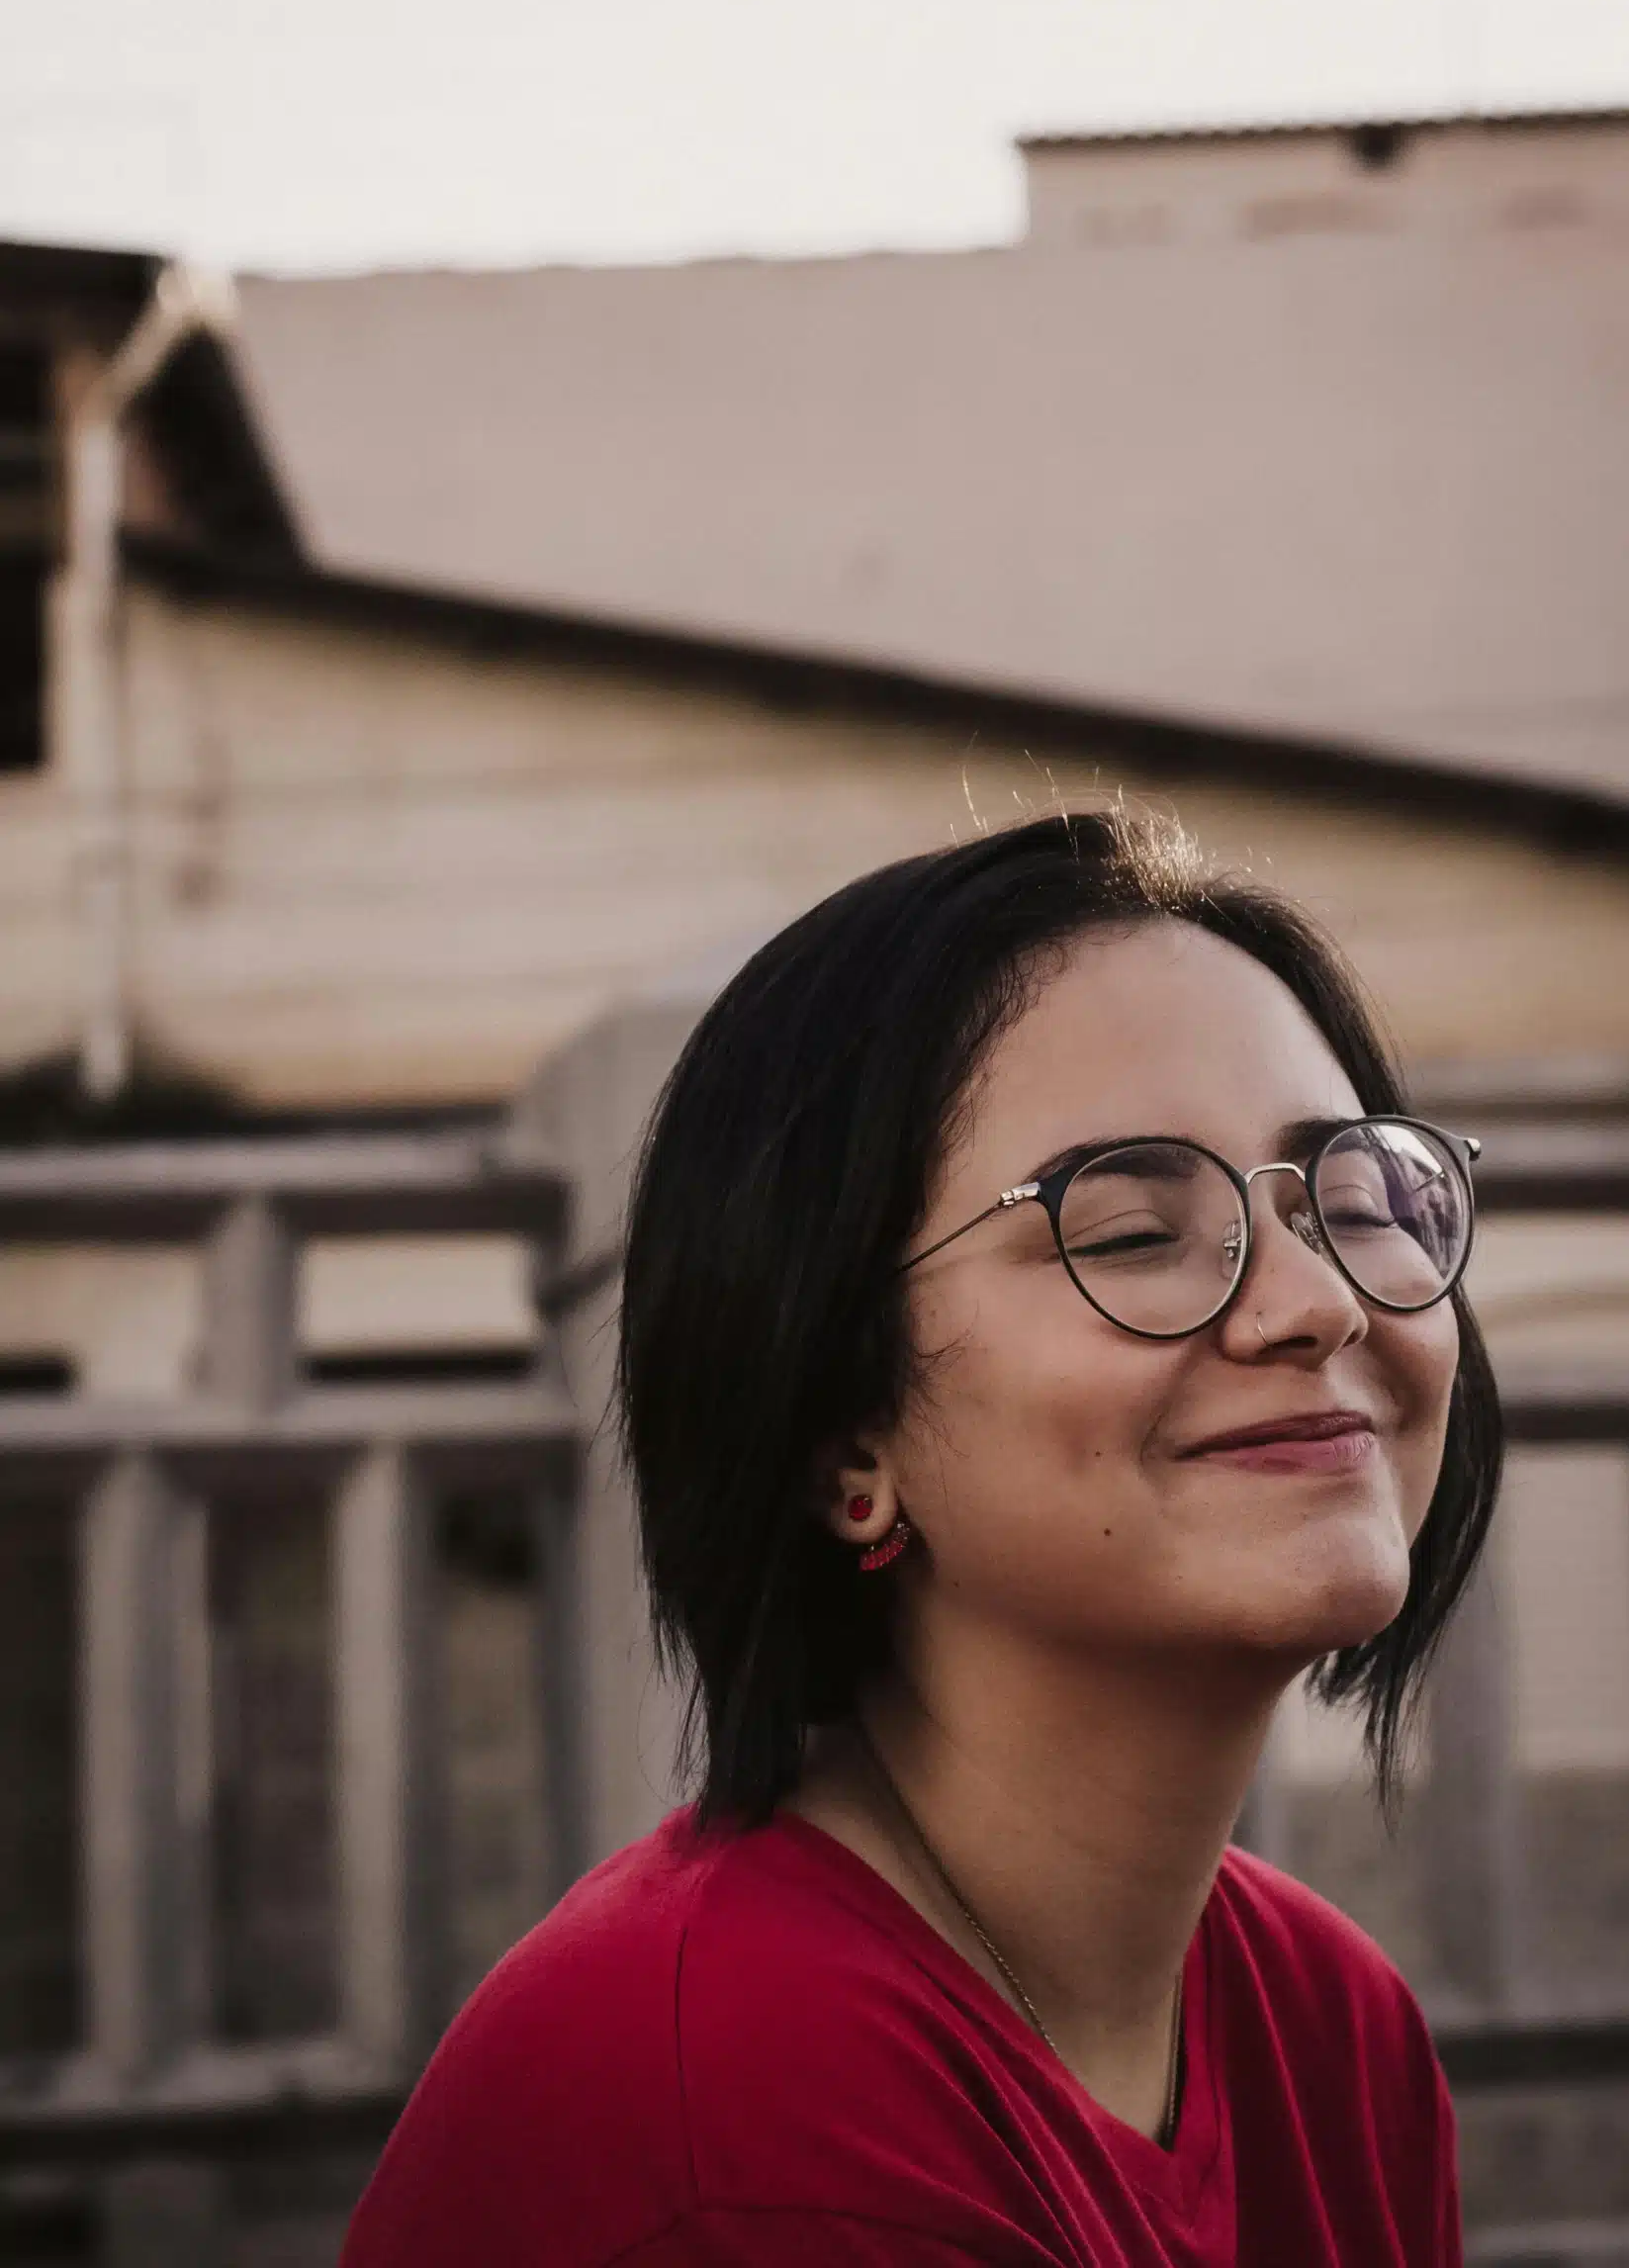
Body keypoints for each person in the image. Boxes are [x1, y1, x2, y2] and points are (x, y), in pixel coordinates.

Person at [341, 808, 1498, 2266]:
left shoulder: (1332, 2030)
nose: (1318, 1300)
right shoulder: (748, 2113)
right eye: (1135, 1231)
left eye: (1354, 1199)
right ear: (844, 1442)